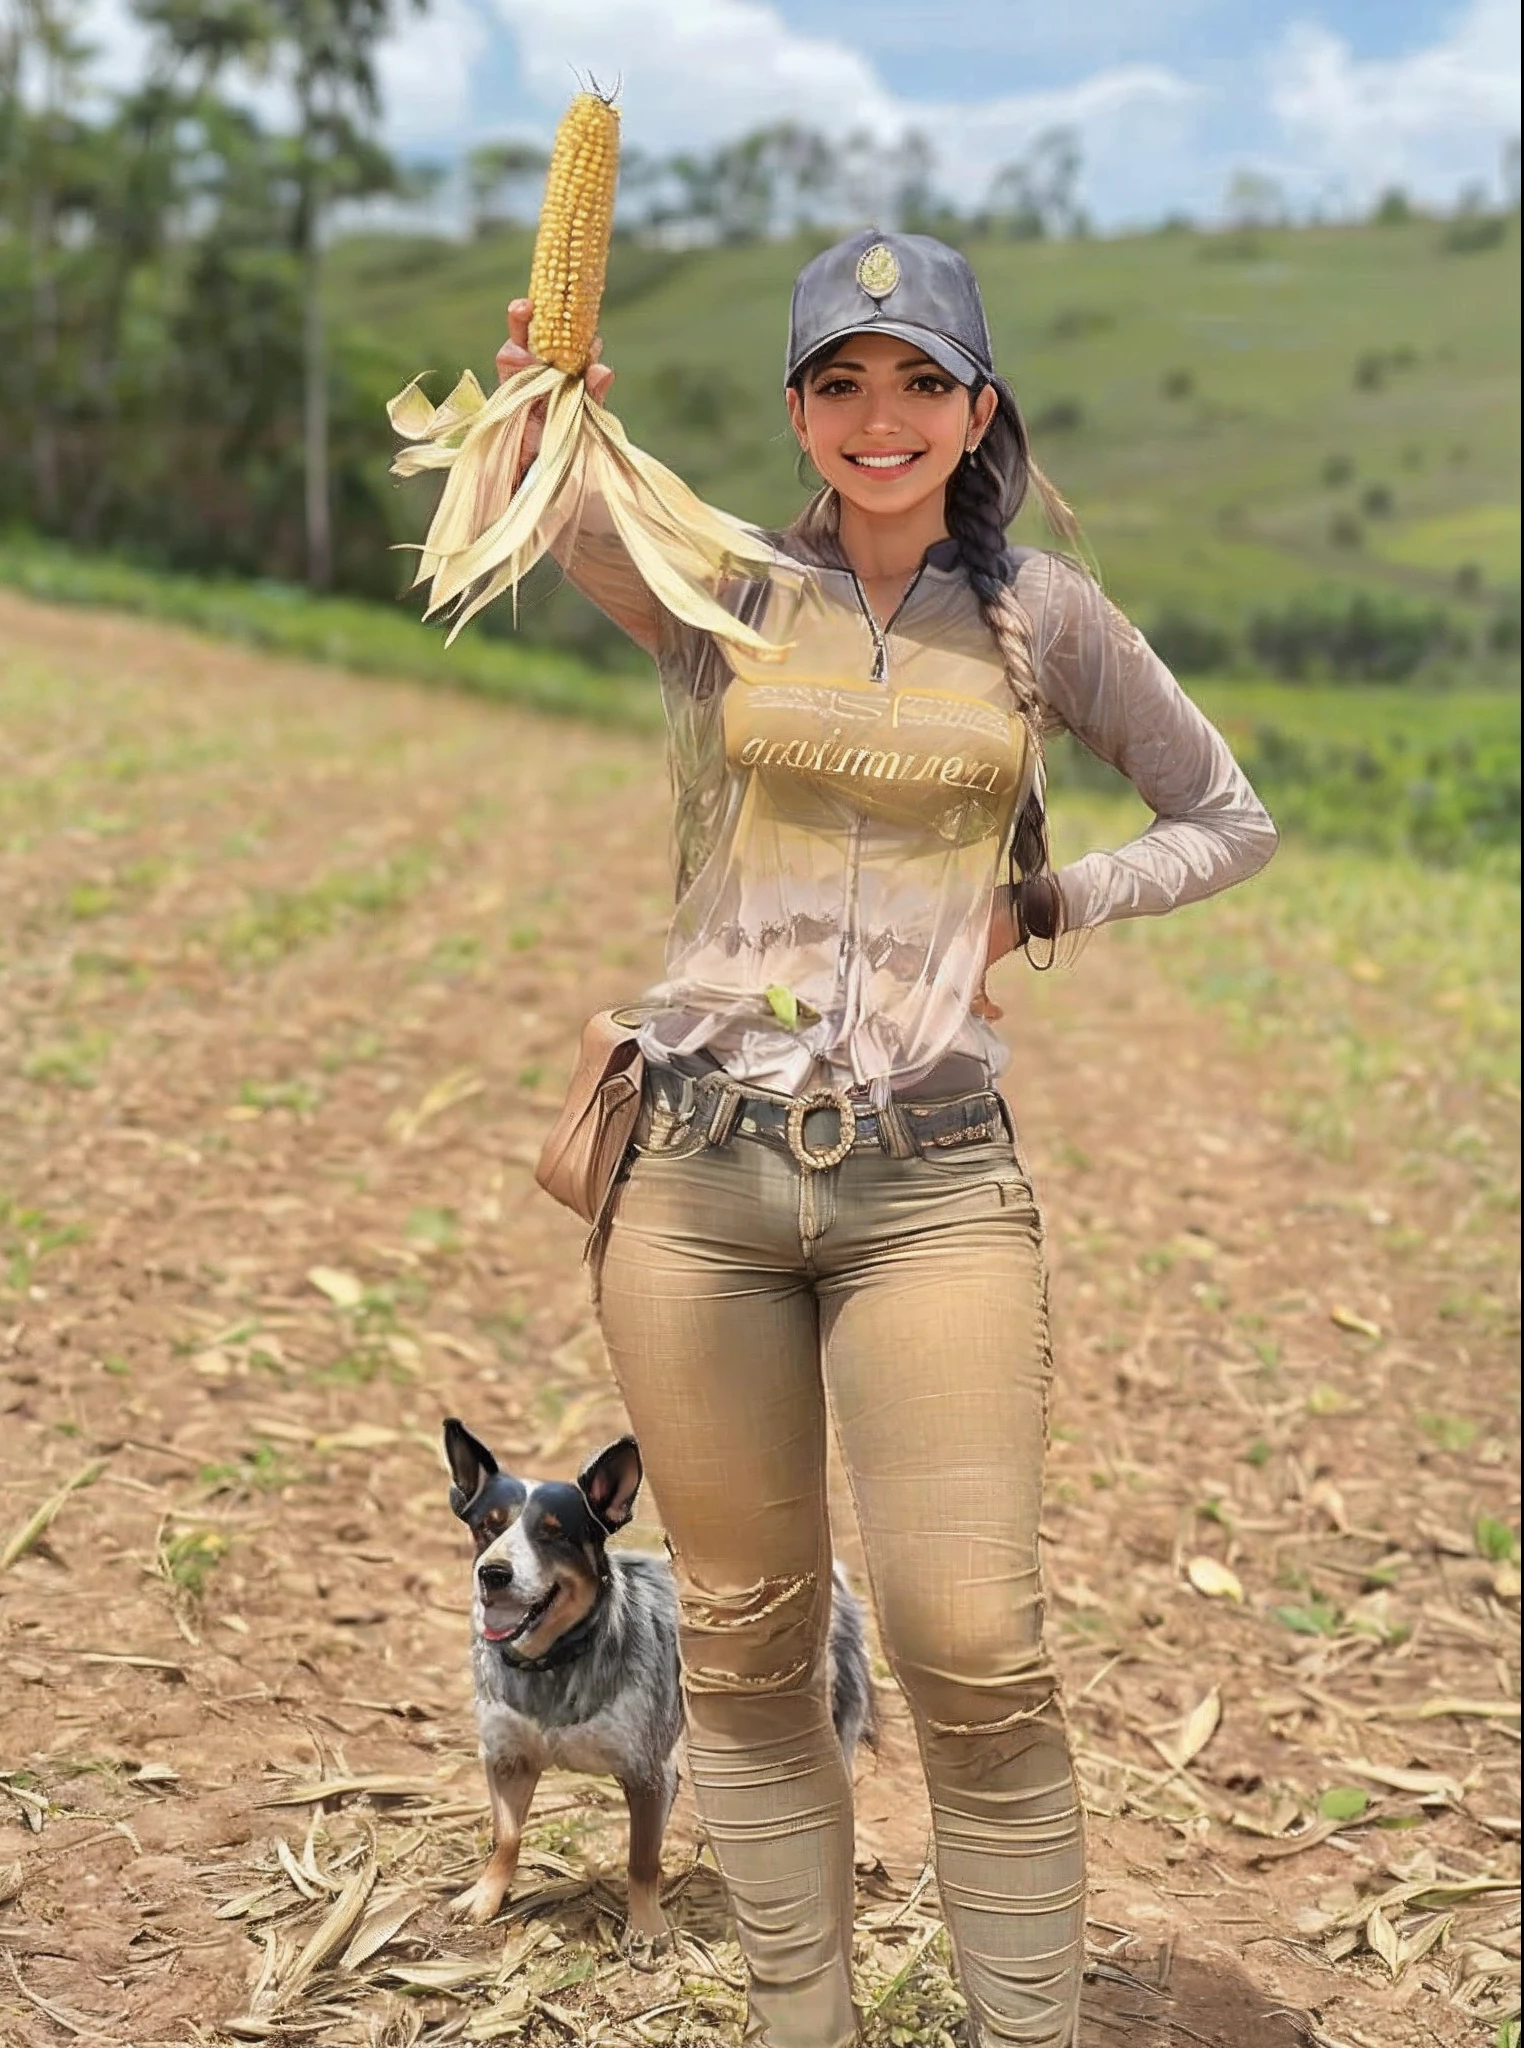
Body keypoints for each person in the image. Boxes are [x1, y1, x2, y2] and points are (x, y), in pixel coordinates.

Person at [492, 231, 1277, 2048]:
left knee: (976, 1648)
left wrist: (1053, 901)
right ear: (796, 409)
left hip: (931, 1178)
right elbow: (549, 519)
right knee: (756, 1654)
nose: (881, 417)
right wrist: (547, 400)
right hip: (692, 1179)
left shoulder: (1048, 618)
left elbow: (1224, 815)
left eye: (921, 381)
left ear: (976, 408)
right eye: (842, 380)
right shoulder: (727, 591)